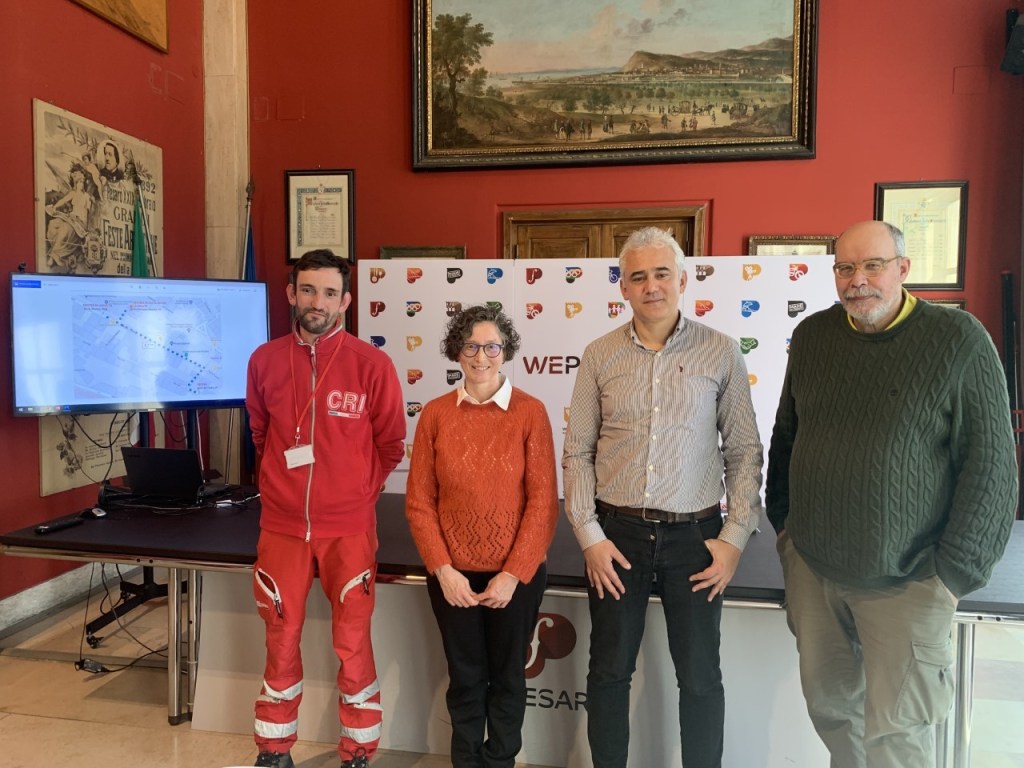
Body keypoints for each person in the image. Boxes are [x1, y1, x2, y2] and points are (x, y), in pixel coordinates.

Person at [766, 220, 1018, 768]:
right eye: (845, 268)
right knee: (834, 714)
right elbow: (787, 437)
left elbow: (993, 467)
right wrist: (786, 529)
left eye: (872, 265)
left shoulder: (959, 339)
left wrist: (953, 573)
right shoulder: (812, 337)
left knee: (897, 736)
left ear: (903, 268)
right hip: (814, 571)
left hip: (910, 580)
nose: (857, 280)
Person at [562, 226, 764, 768]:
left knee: (700, 677)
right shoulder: (599, 355)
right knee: (608, 672)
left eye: (661, 274)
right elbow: (577, 451)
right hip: (616, 538)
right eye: (638, 276)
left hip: (696, 540)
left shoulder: (721, 351)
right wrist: (589, 537)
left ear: (682, 279)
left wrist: (733, 539)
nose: (651, 286)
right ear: (622, 287)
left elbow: (744, 451)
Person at [245, 249, 406, 768]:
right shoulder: (264, 361)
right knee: (280, 637)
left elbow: (390, 445)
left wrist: (355, 494)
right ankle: (274, 748)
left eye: (330, 293)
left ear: (346, 301)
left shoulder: (372, 365)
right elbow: (260, 435)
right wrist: (280, 488)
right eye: (309, 290)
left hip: (349, 532)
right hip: (282, 529)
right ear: (291, 294)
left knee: (352, 641)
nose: (318, 301)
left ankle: (357, 751)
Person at [405, 305, 559, 768]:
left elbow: (543, 503)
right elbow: (419, 502)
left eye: (492, 347)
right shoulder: (435, 414)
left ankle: (500, 762)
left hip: (515, 578)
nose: (481, 356)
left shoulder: (531, 412)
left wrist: (512, 574)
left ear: (505, 352)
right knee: (466, 679)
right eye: (471, 346)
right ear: (456, 351)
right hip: (452, 578)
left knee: (509, 678)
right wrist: (443, 570)